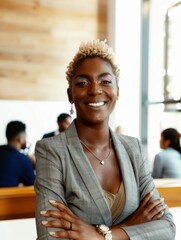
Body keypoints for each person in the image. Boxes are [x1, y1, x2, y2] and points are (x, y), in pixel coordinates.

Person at [35, 40, 175, 240]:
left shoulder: (132, 147)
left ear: (117, 90)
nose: (94, 90)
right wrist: (130, 226)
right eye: (83, 83)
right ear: (70, 94)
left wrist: (103, 235)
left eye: (105, 81)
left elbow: (167, 227)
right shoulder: (51, 151)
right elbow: (50, 236)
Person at [0, 121, 35, 187]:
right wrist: (35, 164)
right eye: (25, 137)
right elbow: (34, 183)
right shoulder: (22, 159)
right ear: (20, 139)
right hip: (9, 197)